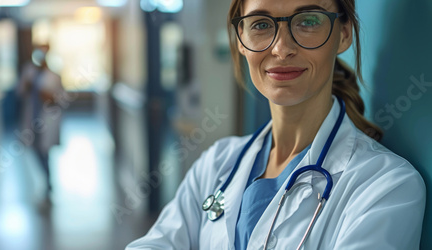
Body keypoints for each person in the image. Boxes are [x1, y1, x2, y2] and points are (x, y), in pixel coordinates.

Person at [126, 0, 426, 249]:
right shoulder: (218, 163)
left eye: (308, 21)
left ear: (343, 33)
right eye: (260, 24)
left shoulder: (386, 187)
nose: (281, 49)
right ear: (241, 40)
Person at [17, 44, 64, 198]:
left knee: (45, 151)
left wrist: (49, 96)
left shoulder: (54, 76)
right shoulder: (29, 72)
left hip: (47, 120)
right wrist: (27, 86)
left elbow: (61, 98)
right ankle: (47, 178)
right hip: (32, 117)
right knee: (35, 150)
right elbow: (20, 93)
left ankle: (48, 180)